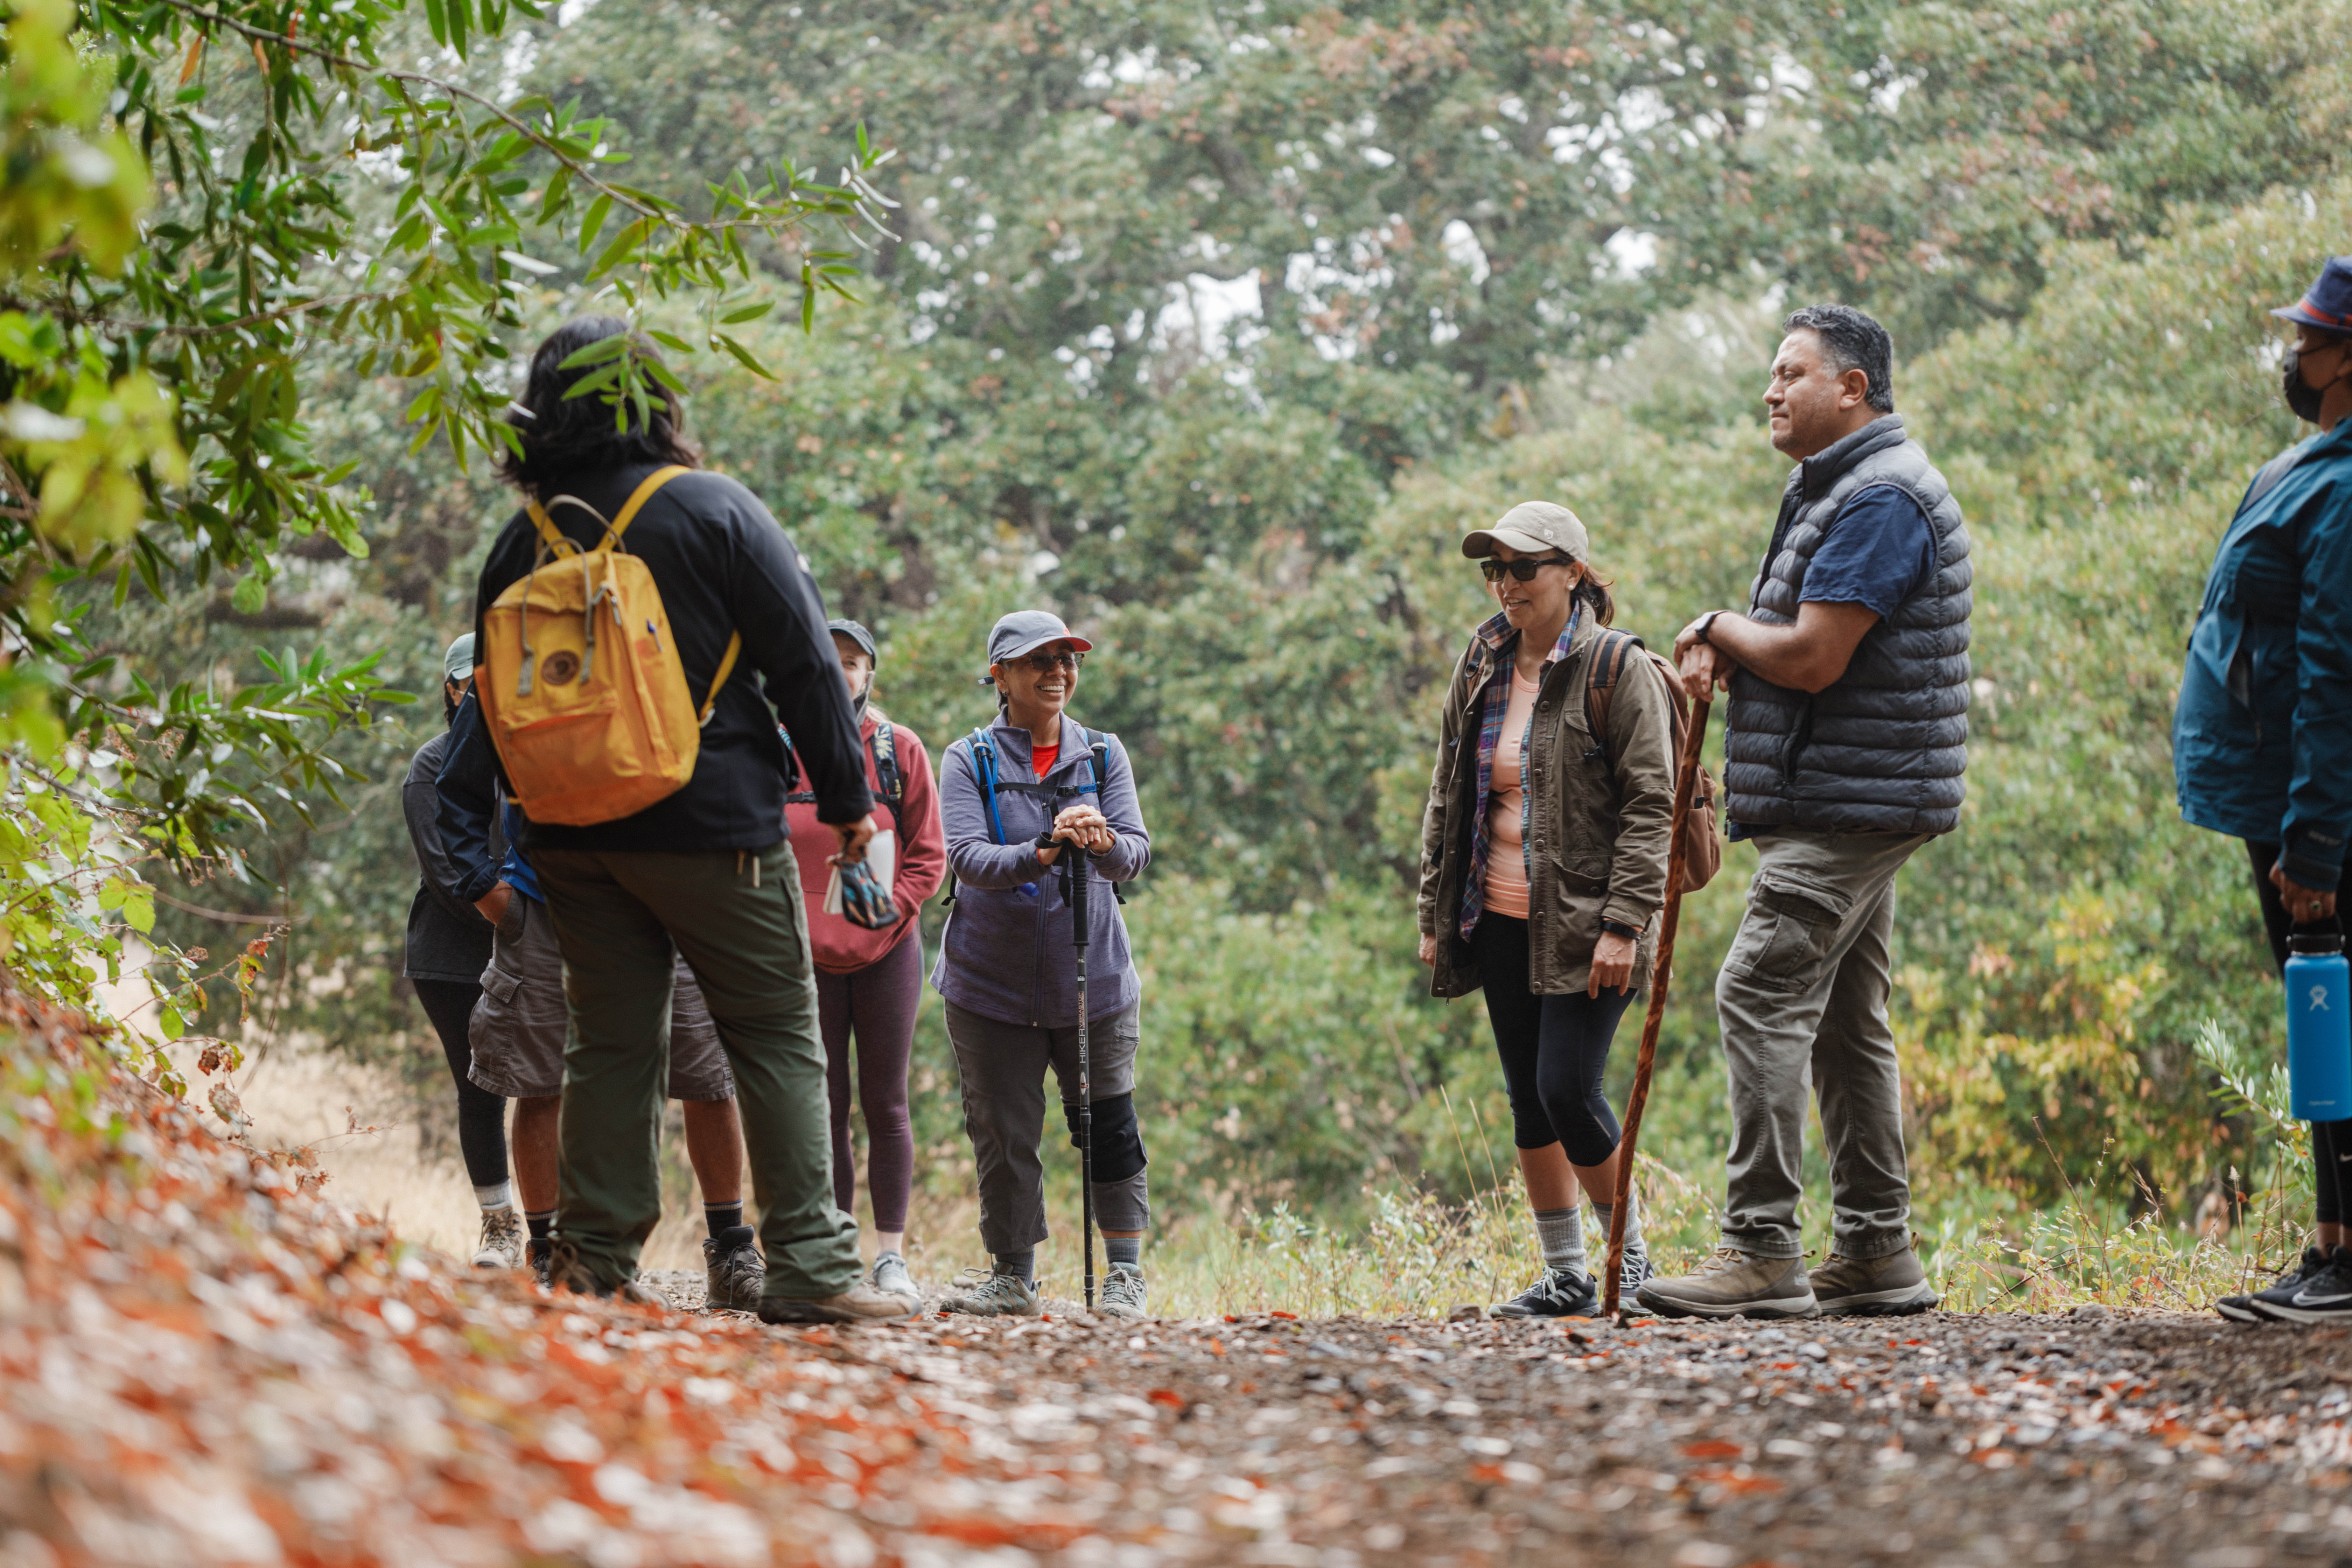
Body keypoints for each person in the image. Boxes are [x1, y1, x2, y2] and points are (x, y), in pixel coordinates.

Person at [438, 315, 910, 1324]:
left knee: (609, 1045)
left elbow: (492, 698)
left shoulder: (520, 542)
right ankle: (811, 1266)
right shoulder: (714, 509)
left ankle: (593, 1265)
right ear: (654, 400)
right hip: (715, 831)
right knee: (775, 1032)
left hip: (571, 834)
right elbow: (808, 670)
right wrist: (849, 806)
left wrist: (517, 822)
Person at [1642, 303, 1971, 1320]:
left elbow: (1817, 654)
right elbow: (1818, 653)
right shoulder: (1833, 489)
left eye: (1791, 373)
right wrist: (1730, 655)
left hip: (1850, 806)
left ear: (1853, 388)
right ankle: (1877, 1249)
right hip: (1854, 793)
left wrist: (1717, 628)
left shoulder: (1880, 498)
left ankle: (1761, 1247)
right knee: (1843, 1019)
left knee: (1757, 989)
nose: (1770, 390)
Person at [1415, 503, 1677, 1318]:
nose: (1505, 584)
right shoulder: (1483, 657)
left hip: (1591, 922)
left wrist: (1626, 923)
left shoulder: (1612, 668)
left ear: (1572, 571)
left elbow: (1652, 804)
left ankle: (1625, 1261)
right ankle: (1566, 1273)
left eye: (1522, 568)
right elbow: (1447, 789)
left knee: (1568, 1087)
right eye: (1494, 570)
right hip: (1494, 913)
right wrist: (1433, 910)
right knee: (1528, 1096)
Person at [2174, 257, 2352, 1325]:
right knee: (2318, 1017)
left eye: (2312, 337)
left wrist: (2318, 841)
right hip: (2268, 794)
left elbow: (2336, 669)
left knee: (2339, 1014)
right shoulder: (2306, 462)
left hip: (2314, 805)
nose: (2294, 352)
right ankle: (2330, 1242)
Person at [453, 785, 766, 1310]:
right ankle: (550, 1257)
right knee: (540, 1080)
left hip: (678, 901)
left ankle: (731, 1256)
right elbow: (455, 788)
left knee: (708, 1077)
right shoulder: (504, 700)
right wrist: (485, 887)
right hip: (546, 899)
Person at [932, 611, 1153, 1319]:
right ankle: (1013, 1277)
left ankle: (1124, 1276)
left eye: (1068, 659)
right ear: (999, 674)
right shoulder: (968, 758)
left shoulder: (1102, 755)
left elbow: (1136, 856)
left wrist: (1103, 841)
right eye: (1040, 661)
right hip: (987, 984)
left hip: (1094, 981)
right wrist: (1043, 853)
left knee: (1109, 1124)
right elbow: (965, 857)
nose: (1058, 672)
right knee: (1002, 1128)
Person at [781, 618, 946, 1305]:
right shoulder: (779, 748)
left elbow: (928, 856)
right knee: (825, 1105)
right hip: (802, 957)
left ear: (870, 672)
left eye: (854, 661)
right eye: (830, 658)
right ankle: (837, 1248)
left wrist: (887, 920)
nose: (842, 670)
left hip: (886, 954)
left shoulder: (897, 749)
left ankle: (890, 1258)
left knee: (885, 1102)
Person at [401, 634, 518, 1269]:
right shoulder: (432, 762)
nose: (479, 691)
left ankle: (572, 1228)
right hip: (453, 956)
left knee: (558, 1084)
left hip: (537, 947)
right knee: (479, 1089)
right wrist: (517, 922)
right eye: (467, 680)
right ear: (451, 689)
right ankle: (500, 1227)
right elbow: (446, 873)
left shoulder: (535, 754)